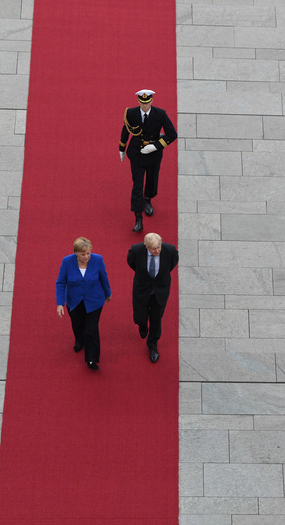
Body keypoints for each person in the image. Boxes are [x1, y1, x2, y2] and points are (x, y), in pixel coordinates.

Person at [120, 89, 178, 233]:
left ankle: (148, 199)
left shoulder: (160, 114)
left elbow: (172, 134)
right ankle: (138, 218)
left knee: (152, 180)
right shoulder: (131, 113)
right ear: (138, 102)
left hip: (153, 154)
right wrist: (121, 148)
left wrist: (155, 146)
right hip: (137, 153)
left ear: (151, 101)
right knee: (137, 184)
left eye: (147, 103)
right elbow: (126, 130)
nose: (144, 106)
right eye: (142, 103)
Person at [56, 237, 112, 370]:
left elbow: (103, 277)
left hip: (94, 301)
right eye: (83, 254)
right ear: (76, 252)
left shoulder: (98, 260)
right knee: (77, 324)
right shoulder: (67, 262)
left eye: (88, 253)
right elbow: (61, 282)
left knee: (91, 330)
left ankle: (91, 359)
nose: (86, 256)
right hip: (74, 301)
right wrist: (60, 303)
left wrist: (108, 293)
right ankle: (79, 339)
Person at [127, 232, 179, 363]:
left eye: (159, 247)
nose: (157, 250)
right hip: (142, 289)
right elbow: (131, 263)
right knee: (140, 317)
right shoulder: (136, 250)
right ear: (146, 247)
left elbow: (172, 265)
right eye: (154, 248)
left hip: (160, 291)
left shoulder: (170, 251)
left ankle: (152, 345)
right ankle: (142, 325)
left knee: (156, 319)